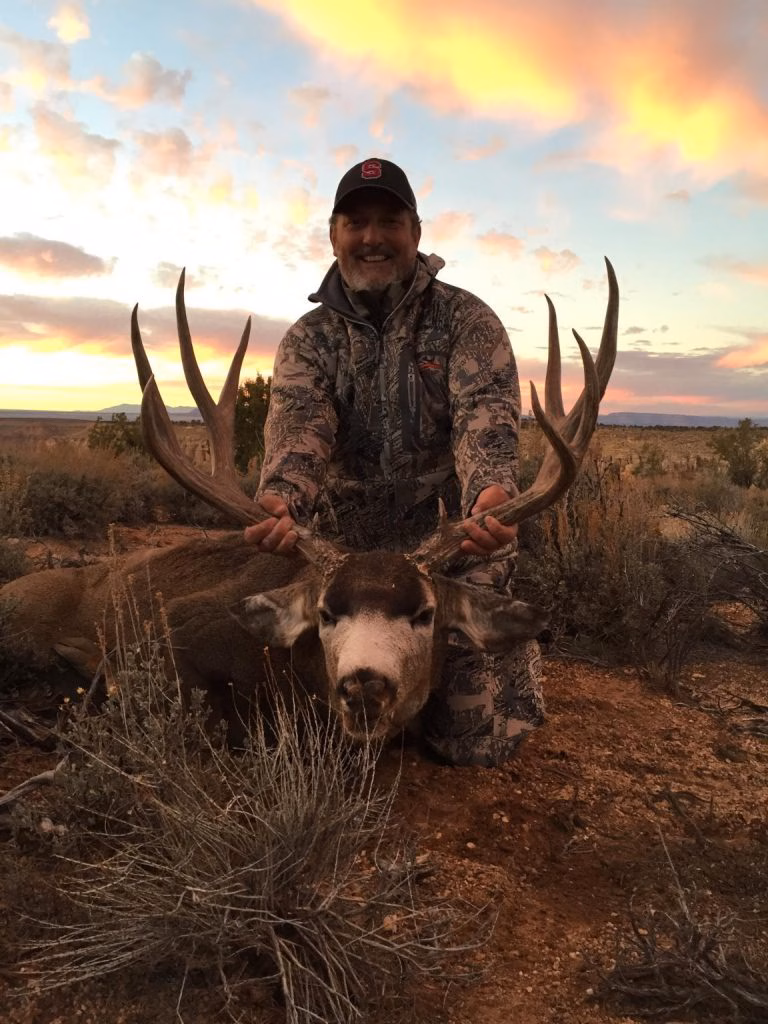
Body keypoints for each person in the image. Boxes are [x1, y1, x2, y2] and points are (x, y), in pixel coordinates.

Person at [244, 157, 543, 766]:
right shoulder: (310, 340)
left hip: (449, 544)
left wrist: (490, 497)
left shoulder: (467, 322)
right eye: (356, 223)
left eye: (389, 222)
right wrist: (282, 498)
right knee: (295, 724)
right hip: (341, 550)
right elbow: (301, 431)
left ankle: (498, 656)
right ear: (334, 235)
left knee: (473, 741)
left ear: (416, 232)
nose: (372, 237)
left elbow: (486, 419)